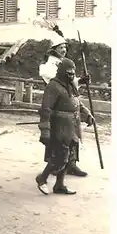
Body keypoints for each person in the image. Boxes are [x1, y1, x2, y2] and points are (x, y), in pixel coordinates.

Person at [35, 58, 95, 195]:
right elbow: (46, 109)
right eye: (68, 72)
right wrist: (45, 130)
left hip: (72, 126)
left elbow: (77, 103)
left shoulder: (70, 85)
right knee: (60, 157)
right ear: (62, 72)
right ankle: (42, 178)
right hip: (59, 126)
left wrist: (87, 114)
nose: (71, 75)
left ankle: (59, 185)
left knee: (69, 157)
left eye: (73, 72)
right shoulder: (53, 86)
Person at [38, 35, 91, 177]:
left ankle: (72, 164)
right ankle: (56, 165)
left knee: (73, 135)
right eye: (61, 48)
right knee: (60, 137)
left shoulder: (65, 62)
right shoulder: (49, 64)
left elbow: (71, 83)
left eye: (65, 47)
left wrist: (80, 80)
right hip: (57, 102)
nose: (64, 50)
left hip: (69, 102)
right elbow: (57, 82)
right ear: (54, 49)